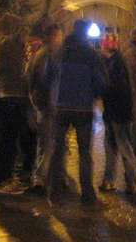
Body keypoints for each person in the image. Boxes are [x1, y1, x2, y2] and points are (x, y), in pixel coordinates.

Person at [46, 20, 107, 206]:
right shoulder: (91, 54)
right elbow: (100, 82)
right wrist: (95, 95)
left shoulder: (59, 52)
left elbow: (47, 76)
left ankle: (53, 194)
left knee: (57, 151)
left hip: (61, 107)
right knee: (84, 152)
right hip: (83, 108)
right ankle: (87, 195)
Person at [0, 14, 32, 195]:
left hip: (2, 98)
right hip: (11, 98)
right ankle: (3, 180)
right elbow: (18, 73)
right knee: (8, 142)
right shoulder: (11, 47)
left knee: (5, 141)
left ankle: (5, 177)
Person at [27, 23, 64, 192]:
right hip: (48, 106)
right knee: (47, 143)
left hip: (47, 105)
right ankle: (40, 178)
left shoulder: (45, 54)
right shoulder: (46, 56)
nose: (60, 39)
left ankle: (54, 176)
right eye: (59, 36)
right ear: (52, 37)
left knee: (51, 143)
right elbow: (43, 82)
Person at [100, 32, 136, 195]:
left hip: (119, 113)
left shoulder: (118, 64)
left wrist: (103, 89)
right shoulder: (113, 62)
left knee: (123, 148)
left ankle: (131, 182)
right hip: (113, 112)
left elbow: (119, 89)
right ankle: (109, 180)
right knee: (112, 148)